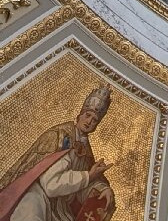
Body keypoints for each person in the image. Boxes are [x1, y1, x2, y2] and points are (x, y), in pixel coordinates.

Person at [0, 84, 115, 221]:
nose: (89, 121)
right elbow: (51, 185)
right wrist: (88, 176)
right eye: (87, 115)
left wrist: (102, 188)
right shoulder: (60, 137)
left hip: (59, 209)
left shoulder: (85, 151)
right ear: (79, 115)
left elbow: (81, 187)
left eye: (94, 120)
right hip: (36, 199)